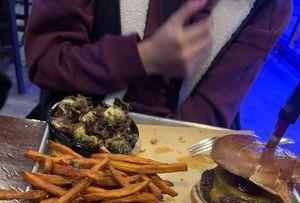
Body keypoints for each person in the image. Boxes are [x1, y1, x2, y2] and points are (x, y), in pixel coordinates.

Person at [24, 0, 291, 128]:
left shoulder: (270, 7)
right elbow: (46, 61)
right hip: (69, 130)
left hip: (182, 155)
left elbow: (209, 112)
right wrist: (144, 57)